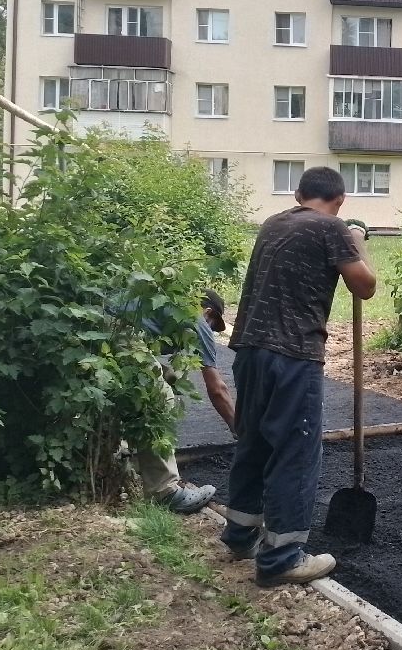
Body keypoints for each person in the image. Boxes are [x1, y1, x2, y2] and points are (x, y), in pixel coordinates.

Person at [219, 166, 377, 587]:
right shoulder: (332, 227)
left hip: (249, 349)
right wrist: (358, 240)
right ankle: (282, 558)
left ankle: (239, 535)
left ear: (298, 193)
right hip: (293, 355)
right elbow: (366, 286)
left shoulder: (273, 224)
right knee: (296, 451)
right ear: (339, 200)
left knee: (253, 442)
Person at [128, 289, 236, 514]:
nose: (211, 331)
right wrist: (239, 429)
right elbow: (217, 389)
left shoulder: (168, 303)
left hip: (108, 328)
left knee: (161, 379)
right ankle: (165, 492)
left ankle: (123, 454)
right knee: (158, 398)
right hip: (124, 333)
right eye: (213, 325)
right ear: (208, 312)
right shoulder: (197, 319)